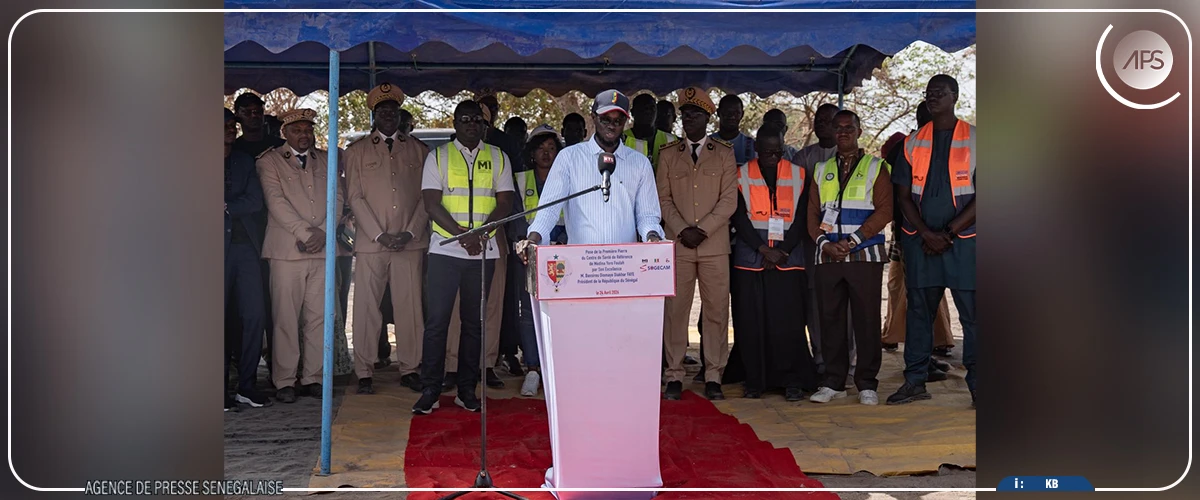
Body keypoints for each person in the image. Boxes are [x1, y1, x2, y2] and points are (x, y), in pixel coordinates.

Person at [413, 100, 515, 415]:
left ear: (484, 125)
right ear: (455, 123)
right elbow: (431, 204)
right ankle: (430, 388)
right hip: (445, 250)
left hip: (482, 252)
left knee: (474, 323)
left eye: (477, 120)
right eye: (465, 119)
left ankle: (467, 390)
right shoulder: (438, 157)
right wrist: (463, 234)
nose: (471, 124)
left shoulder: (498, 157)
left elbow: (505, 203)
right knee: (437, 322)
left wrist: (479, 235)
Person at [886, 74, 976, 408]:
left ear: (955, 96)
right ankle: (914, 381)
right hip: (921, 243)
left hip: (964, 242)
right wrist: (926, 232)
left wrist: (948, 233)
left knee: (973, 316)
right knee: (919, 315)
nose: (932, 97)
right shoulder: (911, 143)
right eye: (928, 93)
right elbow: (903, 195)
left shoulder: (977, 140)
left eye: (940, 92)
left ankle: (979, 387)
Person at [344, 83, 430, 395]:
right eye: (382, 111)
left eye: (393, 111)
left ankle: (410, 367)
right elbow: (354, 196)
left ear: (399, 114)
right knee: (367, 308)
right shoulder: (356, 151)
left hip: (409, 241)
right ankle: (364, 370)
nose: (388, 116)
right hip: (371, 242)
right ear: (374, 115)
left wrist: (410, 231)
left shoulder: (419, 150)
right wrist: (379, 234)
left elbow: (427, 197)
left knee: (410, 307)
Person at [256, 108, 344, 403]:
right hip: (287, 250)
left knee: (319, 316)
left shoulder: (327, 158)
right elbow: (275, 202)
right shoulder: (269, 161)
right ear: (285, 133)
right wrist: (307, 234)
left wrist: (323, 231)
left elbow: (338, 196)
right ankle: (284, 380)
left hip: (321, 249)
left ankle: (314, 377)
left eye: (308, 129)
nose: (304, 135)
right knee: (285, 317)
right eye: (297, 130)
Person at [806, 110, 893, 406]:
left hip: (864, 254)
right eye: (838, 128)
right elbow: (812, 214)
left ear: (858, 130)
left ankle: (866, 383)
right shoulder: (821, 169)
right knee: (829, 319)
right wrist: (823, 242)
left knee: (866, 319)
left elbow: (885, 210)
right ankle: (833, 382)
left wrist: (853, 240)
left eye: (849, 127)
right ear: (831, 131)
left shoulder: (875, 167)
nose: (843, 132)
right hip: (828, 255)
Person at [656, 87, 738, 401]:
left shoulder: (724, 153)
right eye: (684, 113)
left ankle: (714, 374)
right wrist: (681, 230)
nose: (688, 118)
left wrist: (701, 230)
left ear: (707, 117)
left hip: (714, 245)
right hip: (678, 245)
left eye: (695, 114)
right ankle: (674, 374)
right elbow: (662, 200)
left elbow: (729, 200)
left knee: (717, 311)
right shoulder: (667, 154)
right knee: (675, 311)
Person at [729, 124, 816, 400]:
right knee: (751, 322)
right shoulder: (740, 174)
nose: (773, 157)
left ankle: (791, 380)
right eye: (767, 152)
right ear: (756, 149)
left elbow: (803, 217)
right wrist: (762, 249)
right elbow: (739, 217)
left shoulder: (799, 175)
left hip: (788, 260)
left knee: (788, 322)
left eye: (778, 151)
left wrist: (781, 250)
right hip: (751, 260)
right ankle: (755, 381)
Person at [518, 89, 663, 252]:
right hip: (581, 262)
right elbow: (549, 209)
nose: (611, 126)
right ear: (593, 117)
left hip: (624, 263)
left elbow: (647, 216)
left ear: (626, 121)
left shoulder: (640, 163)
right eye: (605, 120)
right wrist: (533, 239)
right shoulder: (569, 158)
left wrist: (652, 237)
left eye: (618, 121)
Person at [881, 102, 956, 364]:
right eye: (927, 117)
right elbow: (901, 194)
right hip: (909, 234)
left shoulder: (954, 145)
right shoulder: (905, 145)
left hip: (946, 234)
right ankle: (908, 350)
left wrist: (943, 233)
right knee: (904, 290)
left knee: (931, 294)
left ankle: (936, 346)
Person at [509, 125, 567, 396]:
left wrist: (562, 242)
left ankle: (557, 368)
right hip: (528, 256)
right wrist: (525, 244)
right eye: (541, 149)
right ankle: (532, 368)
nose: (546, 154)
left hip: (562, 256)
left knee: (561, 313)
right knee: (528, 313)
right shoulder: (519, 179)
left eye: (552, 149)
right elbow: (515, 218)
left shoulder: (569, 177)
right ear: (531, 153)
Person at [232, 92, 286, 379]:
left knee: (276, 306)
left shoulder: (278, 147)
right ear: (238, 115)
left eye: (258, 111)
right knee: (248, 308)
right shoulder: (234, 150)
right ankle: (243, 370)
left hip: (279, 233)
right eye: (248, 111)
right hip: (244, 238)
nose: (254, 115)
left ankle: (281, 370)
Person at [224, 108, 270, 411]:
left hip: (247, 249)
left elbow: (255, 201)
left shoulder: (242, 160)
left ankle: (247, 385)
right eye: (224, 126)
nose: (230, 129)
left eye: (232, 125)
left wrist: (226, 206)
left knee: (254, 315)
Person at [793, 103, 839, 375]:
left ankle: (847, 360)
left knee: (843, 303)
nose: (821, 124)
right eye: (818, 120)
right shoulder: (804, 157)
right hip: (811, 241)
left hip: (845, 242)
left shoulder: (856, 159)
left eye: (828, 120)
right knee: (814, 301)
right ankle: (820, 359)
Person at [623, 93, 677, 173]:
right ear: (632, 112)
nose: (648, 111)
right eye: (643, 108)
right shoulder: (622, 139)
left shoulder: (671, 140)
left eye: (652, 108)